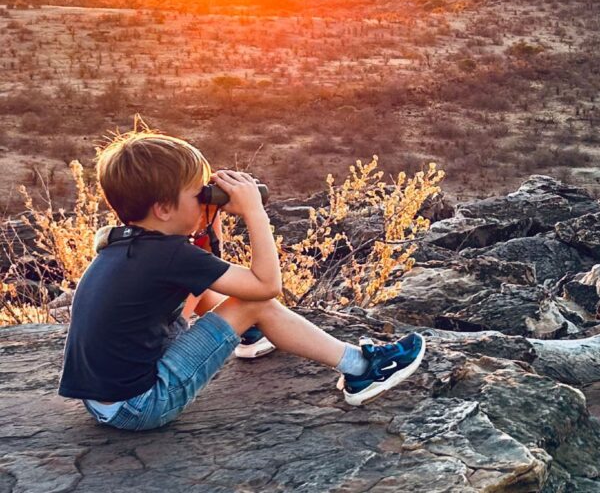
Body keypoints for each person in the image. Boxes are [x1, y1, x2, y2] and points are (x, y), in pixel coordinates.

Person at [57, 130, 426, 431]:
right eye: (197, 194)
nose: (205, 199)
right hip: (141, 405)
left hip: (102, 400)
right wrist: (254, 211)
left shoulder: (123, 242)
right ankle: (362, 370)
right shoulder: (169, 255)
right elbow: (265, 286)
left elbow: (207, 276)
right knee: (254, 303)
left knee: (210, 291)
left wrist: (208, 219)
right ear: (164, 208)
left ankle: (250, 334)